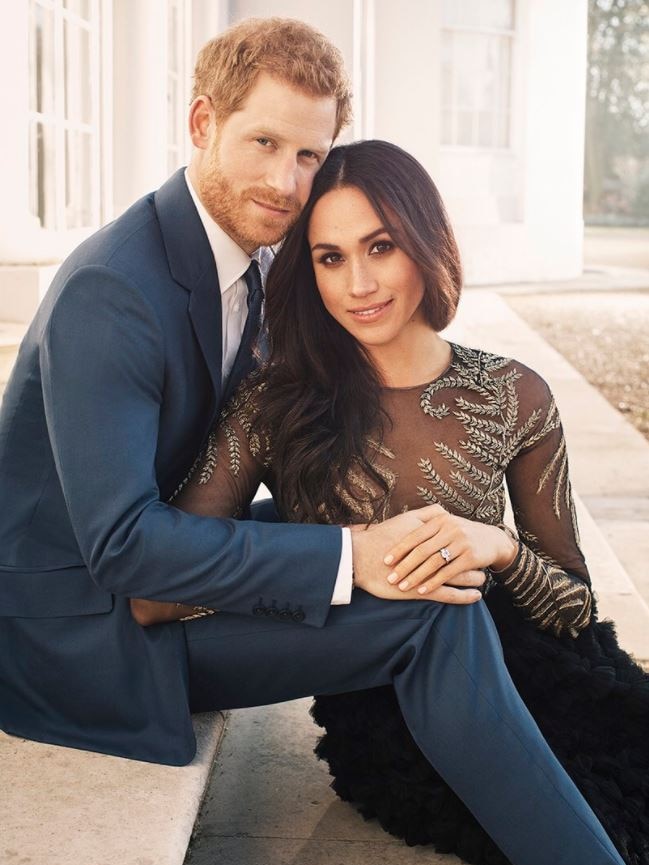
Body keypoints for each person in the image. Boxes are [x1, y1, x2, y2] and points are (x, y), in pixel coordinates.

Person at [133, 139, 647, 865]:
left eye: (380, 246)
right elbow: (166, 574)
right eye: (330, 257)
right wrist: (321, 570)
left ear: (423, 241)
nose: (359, 283)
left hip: (535, 669)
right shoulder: (274, 403)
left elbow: (571, 604)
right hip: (385, 700)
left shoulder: (511, 394)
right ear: (307, 273)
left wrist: (495, 545)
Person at [0, 18, 470, 767]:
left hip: (155, 574)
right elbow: (122, 545)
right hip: (81, 632)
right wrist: (348, 555)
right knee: (432, 614)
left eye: (308, 155)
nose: (286, 183)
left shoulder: (251, 263)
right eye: (263, 143)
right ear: (202, 122)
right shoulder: (111, 289)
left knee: (421, 551)